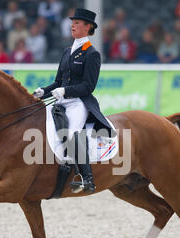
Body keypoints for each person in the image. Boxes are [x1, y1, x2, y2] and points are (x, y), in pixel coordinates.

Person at [33, 8, 113, 194]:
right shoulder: (67, 51)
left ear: (88, 27)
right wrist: (43, 91)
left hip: (79, 103)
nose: (73, 25)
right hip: (61, 100)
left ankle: (87, 178)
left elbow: (88, 86)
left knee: (72, 133)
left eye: (77, 23)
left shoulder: (92, 53)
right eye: (73, 22)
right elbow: (58, 81)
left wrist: (65, 91)